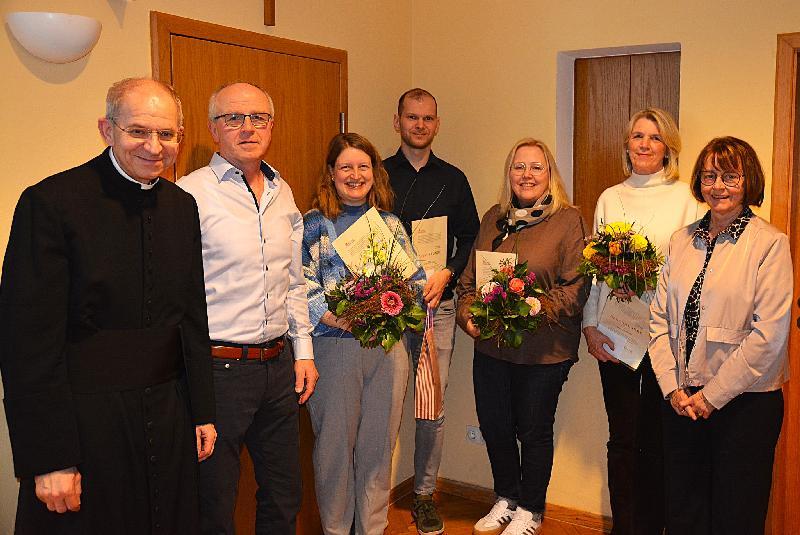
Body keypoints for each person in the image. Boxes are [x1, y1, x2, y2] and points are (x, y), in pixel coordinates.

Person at [0, 77, 216, 534]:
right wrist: (51, 457)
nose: (153, 147)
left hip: (169, 413)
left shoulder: (182, 206)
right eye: (138, 131)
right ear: (106, 129)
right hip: (85, 423)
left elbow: (192, 316)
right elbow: (27, 343)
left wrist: (203, 410)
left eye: (167, 134)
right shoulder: (51, 203)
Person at [178, 82, 318, 535]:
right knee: (214, 500)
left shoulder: (284, 192)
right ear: (213, 129)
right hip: (219, 373)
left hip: (277, 370)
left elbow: (294, 281)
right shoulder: (189, 195)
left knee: (284, 493)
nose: (247, 127)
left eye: (258, 118)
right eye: (233, 118)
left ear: (272, 126)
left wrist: (304, 352)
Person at [649, 136, 792, 535]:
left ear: (748, 182)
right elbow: (659, 321)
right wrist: (671, 388)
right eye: (710, 176)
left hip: (744, 406)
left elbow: (768, 337)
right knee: (683, 513)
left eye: (730, 176)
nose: (718, 186)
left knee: (736, 517)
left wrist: (711, 397)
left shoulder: (770, 245)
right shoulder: (681, 241)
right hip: (681, 401)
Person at [457, 138, 589, 535]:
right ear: (509, 173)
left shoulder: (568, 220)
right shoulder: (494, 218)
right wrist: (468, 319)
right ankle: (505, 498)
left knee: (533, 430)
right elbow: (468, 282)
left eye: (536, 167)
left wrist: (537, 307)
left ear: (549, 174)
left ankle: (531, 509)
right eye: (519, 167)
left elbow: (577, 286)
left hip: (545, 350)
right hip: (491, 347)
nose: (527, 175)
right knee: (494, 425)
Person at [581, 107, 699, 535]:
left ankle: (655, 525)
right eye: (637, 136)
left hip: (665, 334)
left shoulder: (687, 198)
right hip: (616, 333)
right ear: (626, 145)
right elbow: (597, 272)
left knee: (659, 437)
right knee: (623, 439)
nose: (645, 144)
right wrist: (590, 327)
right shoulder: (610, 197)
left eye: (654, 137)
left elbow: (690, 271)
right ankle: (625, 525)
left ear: (668, 147)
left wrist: (646, 274)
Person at [302, 132, 426, 535]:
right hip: (334, 350)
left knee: (377, 447)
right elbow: (299, 286)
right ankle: (337, 529)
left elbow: (414, 280)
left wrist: (420, 288)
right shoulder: (313, 224)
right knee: (334, 449)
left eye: (363, 166)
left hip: (387, 350)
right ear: (331, 174)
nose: (355, 175)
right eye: (346, 167)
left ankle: (372, 528)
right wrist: (333, 318)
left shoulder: (390, 224)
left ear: (375, 173)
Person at [384, 88, 480, 535]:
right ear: (398, 121)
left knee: (430, 406)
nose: (419, 125)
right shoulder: (379, 176)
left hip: (436, 309)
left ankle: (423, 495)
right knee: (383, 404)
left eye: (427, 119)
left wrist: (447, 273)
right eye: (412, 118)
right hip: (386, 311)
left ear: (436, 124)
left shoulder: (454, 179)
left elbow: (471, 239)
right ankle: (372, 494)